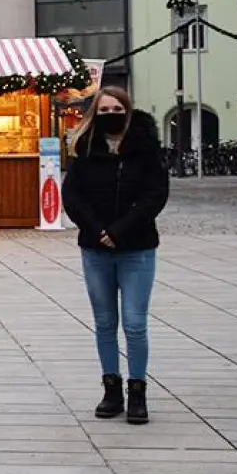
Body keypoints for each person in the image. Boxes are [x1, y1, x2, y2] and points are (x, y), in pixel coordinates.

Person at [62, 87, 168, 424]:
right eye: (104, 109)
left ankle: (138, 390)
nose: (111, 114)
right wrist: (97, 230)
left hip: (136, 247)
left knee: (135, 324)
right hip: (96, 249)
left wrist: (120, 229)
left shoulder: (145, 148)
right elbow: (73, 197)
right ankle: (111, 387)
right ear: (95, 113)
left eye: (116, 108)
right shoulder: (85, 147)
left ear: (127, 109)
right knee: (105, 322)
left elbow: (155, 195)